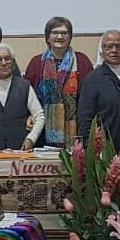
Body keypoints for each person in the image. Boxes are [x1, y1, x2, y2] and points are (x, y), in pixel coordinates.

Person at [24, 16, 94, 146]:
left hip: (75, 130)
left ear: (70, 37)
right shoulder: (36, 63)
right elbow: (27, 95)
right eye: (55, 32)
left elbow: (90, 96)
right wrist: (29, 115)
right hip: (42, 130)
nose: (60, 36)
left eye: (64, 33)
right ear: (47, 37)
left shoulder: (82, 61)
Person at [78, 29, 120, 154]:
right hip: (105, 151)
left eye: (118, 46)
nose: (114, 50)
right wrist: (91, 148)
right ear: (102, 50)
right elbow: (85, 119)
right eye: (109, 46)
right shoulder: (93, 79)